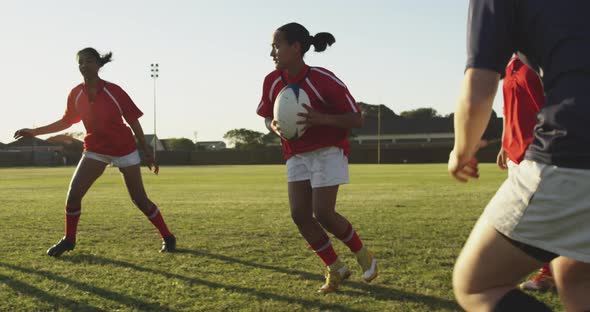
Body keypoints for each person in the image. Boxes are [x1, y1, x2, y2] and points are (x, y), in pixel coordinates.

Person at [449, 1, 590, 310]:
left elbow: (479, 86)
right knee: (575, 270)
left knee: (476, 285)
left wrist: (462, 150)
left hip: (574, 151)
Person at [14, 48, 176, 257]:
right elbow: (66, 121)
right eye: (80, 62)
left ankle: (168, 236)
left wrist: (147, 152)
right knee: (73, 195)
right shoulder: (76, 93)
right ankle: (69, 240)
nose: (84, 66)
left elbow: (133, 121)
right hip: (95, 150)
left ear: (98, 65)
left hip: (123, 148)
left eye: (89, 61)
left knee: (140, 200)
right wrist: (34, 132)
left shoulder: (114, 91)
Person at [256, 22, 377, 293]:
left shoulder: (323, 79)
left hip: (328, 150)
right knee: (299, 214)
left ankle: (362, 254)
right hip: (295, 153)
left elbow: (356, 118)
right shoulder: (271, 81)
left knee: (323, 213)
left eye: (277, 46)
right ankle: (335, 268)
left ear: (295, 48)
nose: (272, 53)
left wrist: (320, 118)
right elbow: (266, 116)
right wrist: (272, 126)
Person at [498, 54, 554, 292]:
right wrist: (503, 143)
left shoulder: (536, 64)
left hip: (537, 153)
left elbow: (549, 110)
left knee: (542, 216)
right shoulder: (511, 65)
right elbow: (507, 108)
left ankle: (550, 274)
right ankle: (552, 272)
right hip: (515, 152)